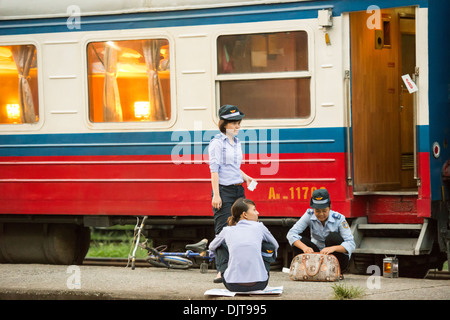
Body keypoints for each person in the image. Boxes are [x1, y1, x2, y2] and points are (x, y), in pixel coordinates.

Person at [209, 198, 279, 292]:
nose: (257, 212)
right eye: (254, 210)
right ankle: (260, 272)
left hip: (232, 285)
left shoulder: (227, 230)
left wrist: (215, 256)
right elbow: (275, 245)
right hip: (260, 284)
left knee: (219, 246)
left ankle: (222, 273)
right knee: (267, 246)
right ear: (244, 214)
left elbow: (211, 247)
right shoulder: (260, 227)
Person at [209, 104, 255, 235]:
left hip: (238, 190)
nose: (238, 126)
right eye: (234, 123)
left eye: (238, 123)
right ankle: (222, 256)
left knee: (241, 229)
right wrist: (217, 195)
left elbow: (233, 166)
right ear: (224, 124)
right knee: (224, 231)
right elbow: (214, 170)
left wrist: (246, 177)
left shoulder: (236, 142)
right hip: (224, 191)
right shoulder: (217, 143)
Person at [286, 188, 355, 275]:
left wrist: (332, 248)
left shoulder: (339, 218)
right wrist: (304, 248)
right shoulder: (309, 215)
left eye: (324, 211)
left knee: (333, 237)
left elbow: (351, 244)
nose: (321, 214)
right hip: (317, 254)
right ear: (313, 209)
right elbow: (291, 234)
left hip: (336, 257)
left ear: (330, 207)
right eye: (317, 211)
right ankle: (306, 270)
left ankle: (338, 271)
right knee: (300, 241)